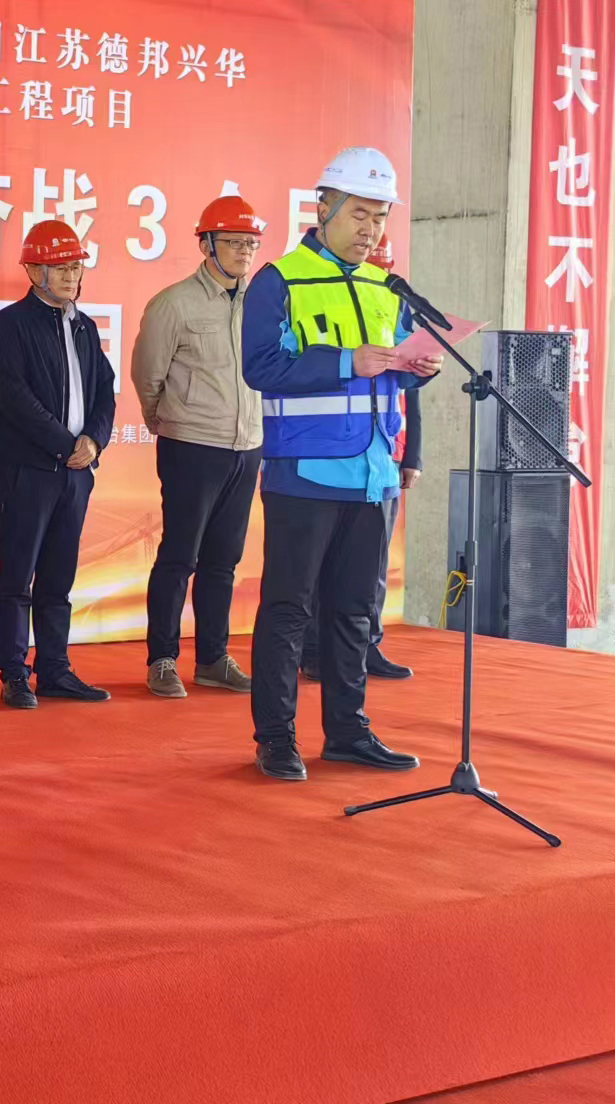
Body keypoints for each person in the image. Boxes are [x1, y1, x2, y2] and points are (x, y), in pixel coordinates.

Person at [241, 147, 441, 782]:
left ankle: (348, 732)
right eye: (359, 214)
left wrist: (419, 369)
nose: (370, 230)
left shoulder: (387, 289)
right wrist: (346, 361)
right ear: (323, 208)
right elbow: (260, 368)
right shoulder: (280, 280)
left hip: (374, 472)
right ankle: (276, 738)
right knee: (289, 609)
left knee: (356, 610)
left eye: (380, 218)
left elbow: (395, 371)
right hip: (304, 472)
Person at [131, 196, 265, 700]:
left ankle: (212, 658)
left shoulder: (262, 304)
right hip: (191, 445)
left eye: (251, 243)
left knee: (223, 560)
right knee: (179, 556)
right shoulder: (174, 304)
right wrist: (166, 420)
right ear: (206, 244)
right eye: (234, 242)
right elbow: (148, 375)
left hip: (246, 447)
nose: (244, 251)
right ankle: (162, 659)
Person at [0, 219, 117, 709]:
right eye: (59, 267)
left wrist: (94, 442)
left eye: (76, 266)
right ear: (33, 271)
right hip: (30, 471)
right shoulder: (9, 325)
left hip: (77, 473)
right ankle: (14, 673)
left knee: (59, 578)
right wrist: (66, 445)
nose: (70, 275)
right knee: (17, 577)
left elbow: (104, 391)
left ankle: (55, 668)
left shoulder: (85, 326)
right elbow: (16, 400)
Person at [301, 231, 421, 683]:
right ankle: (316, 650)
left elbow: (411, 395)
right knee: (321, 568)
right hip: (329, 456)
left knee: (372, 567)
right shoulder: (332, 304)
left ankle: (367, 646)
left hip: (383, 458)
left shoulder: (394, 307)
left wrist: (413, 456)